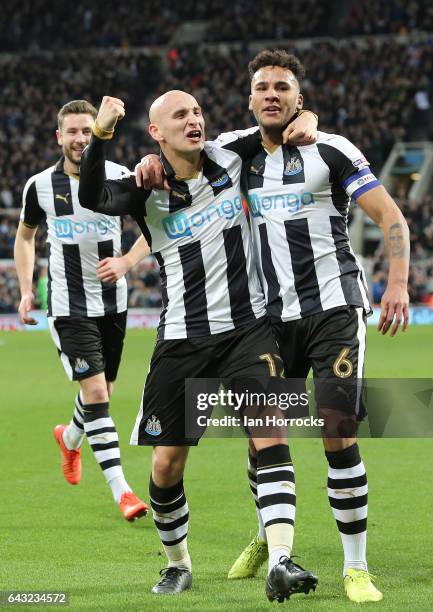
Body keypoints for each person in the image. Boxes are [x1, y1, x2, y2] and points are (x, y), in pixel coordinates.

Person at [136, 49, 410, 603]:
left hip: (333, 308)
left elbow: (391, 218)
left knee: (338, 432)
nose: (271, 95)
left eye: (282, 88)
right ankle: (269, 537)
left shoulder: (331, 149)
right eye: (262, 87)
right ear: (250, 99)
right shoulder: (235, 153)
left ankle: (356, 567)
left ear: (298, 99)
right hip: (269, 320)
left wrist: (398, 285)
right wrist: (148, 159)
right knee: (263, 441)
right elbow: (178, 150)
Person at [78, 92, 319, 601]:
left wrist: (309, 116)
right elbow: (92, 196)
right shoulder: (143, 186)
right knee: (166, 465)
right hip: (183, 342)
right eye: (180, 116)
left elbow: (289, 119)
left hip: (247, 331)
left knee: (269, 432)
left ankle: (280, 558)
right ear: (156, 133)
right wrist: (101, 133)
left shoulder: (232, 155)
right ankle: (177, 563)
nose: (195, 121)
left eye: (197, 112)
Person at [14, 99, 149, 522]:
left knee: (101, 393)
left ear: (98, 133)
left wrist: (127, 262)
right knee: (96, 394)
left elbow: (154, 227)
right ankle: (122, 491)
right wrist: (25, 290)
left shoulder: (119, 177)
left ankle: (70, 438)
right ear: (59, 137)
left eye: (87, 131)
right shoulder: (39, 186)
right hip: (68, 305)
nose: (79, 139)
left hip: (114, 303)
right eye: (72, 132)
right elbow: (24, 236)